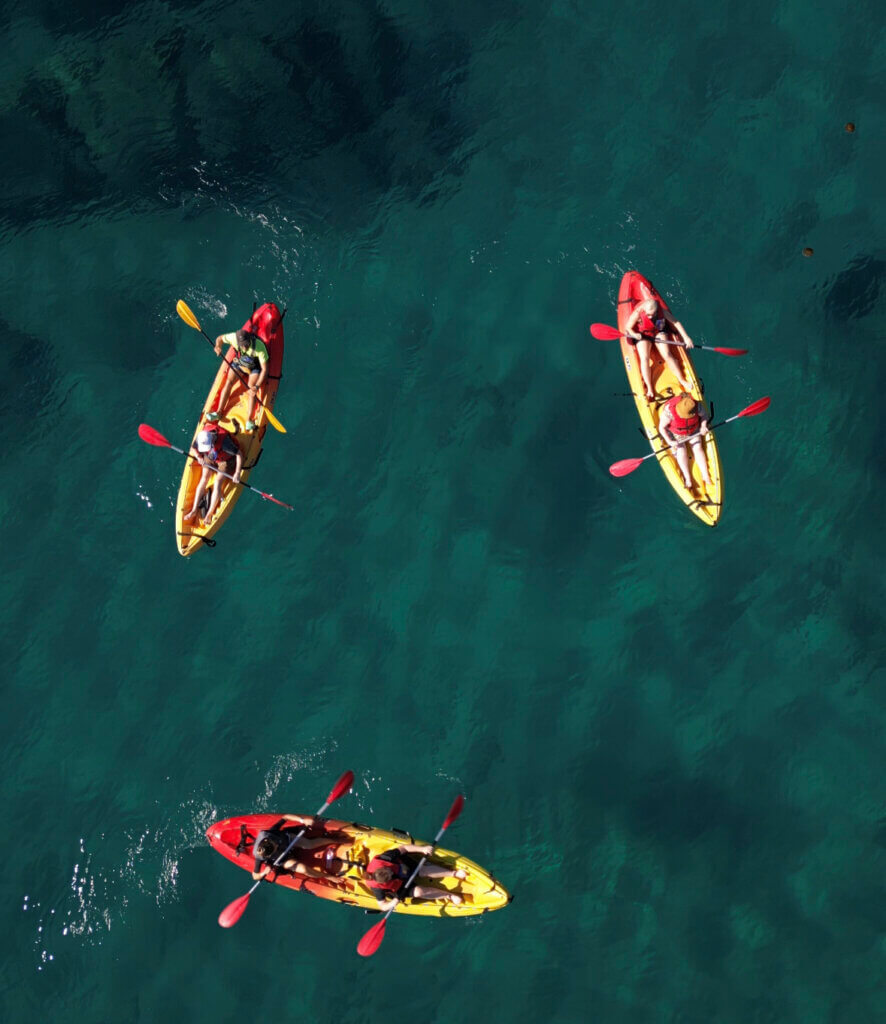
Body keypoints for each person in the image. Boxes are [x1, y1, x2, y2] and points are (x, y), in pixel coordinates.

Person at [623, 296, 694, 400]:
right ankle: (650, 388)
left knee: (667, 355)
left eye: (653, 314)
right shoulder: (638, 313)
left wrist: (686, 338)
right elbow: (628, 327)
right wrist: (634, 334)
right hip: (643, 334)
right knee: (644, 358)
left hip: (658, 332)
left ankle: (682, 380)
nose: (651, 317)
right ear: (644, 310)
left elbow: (676, 322)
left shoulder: (662, 312)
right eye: (648, 314)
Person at [364, 843, 467, 909]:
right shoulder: (376, 888)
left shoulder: (385, 858)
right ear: (386, 882)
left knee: (423, 870)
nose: (392, 872)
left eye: (390, 870)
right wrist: (392, 903)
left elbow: (404, 848)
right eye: (391, 876)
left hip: (404, 867)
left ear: (385, 867)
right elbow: (382, 905)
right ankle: (449, 895)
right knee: (419, 892)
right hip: (400, 887)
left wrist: (422, 849)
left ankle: (454, 873)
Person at [251, 816, 352, 881]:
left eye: (275, 844)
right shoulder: (259, 857)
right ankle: (328, 877)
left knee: (309, 844)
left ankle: (335, 840)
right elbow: (255, 876)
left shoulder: (270, 833)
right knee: (303, 869)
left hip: (289, 840)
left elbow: (285, 817)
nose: (277, 845)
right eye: (275, 848)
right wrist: (264, 873)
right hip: (283, 859)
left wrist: (302, 820)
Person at [208, 327, 270, 432]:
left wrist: (257, 386)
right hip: (240, 363)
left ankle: (249, 420)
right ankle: (219, 413)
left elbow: (264, 369)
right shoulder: (233, 338)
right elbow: (220, 338)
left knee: (251, 390)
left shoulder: (259, 347)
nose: (244, 347)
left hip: (254, 367)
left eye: (246, 344)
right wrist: (218, 347)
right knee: (228, 382)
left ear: (250, 340)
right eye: (242, 345)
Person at [183, 422, 243, 524]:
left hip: (225, 461)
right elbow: (193, 448)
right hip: (210, 456)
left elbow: (239, 454)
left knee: (217, 482)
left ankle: (209, 513)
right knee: (204, 478)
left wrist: (237, 472)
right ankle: (193, 510)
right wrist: (199, 457)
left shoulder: (225, 443)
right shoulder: (201, 437)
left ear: (212, 440)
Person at [658, 393, 712, 490]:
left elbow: (704, 416)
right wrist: (669, 441)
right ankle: (687, 478)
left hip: (692, 429)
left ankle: (705, 475)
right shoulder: (669, 412)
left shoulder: (696, 406)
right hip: (675, 432)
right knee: (681, 450)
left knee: (698, 448)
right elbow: (661, 428)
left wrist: (703, 426)